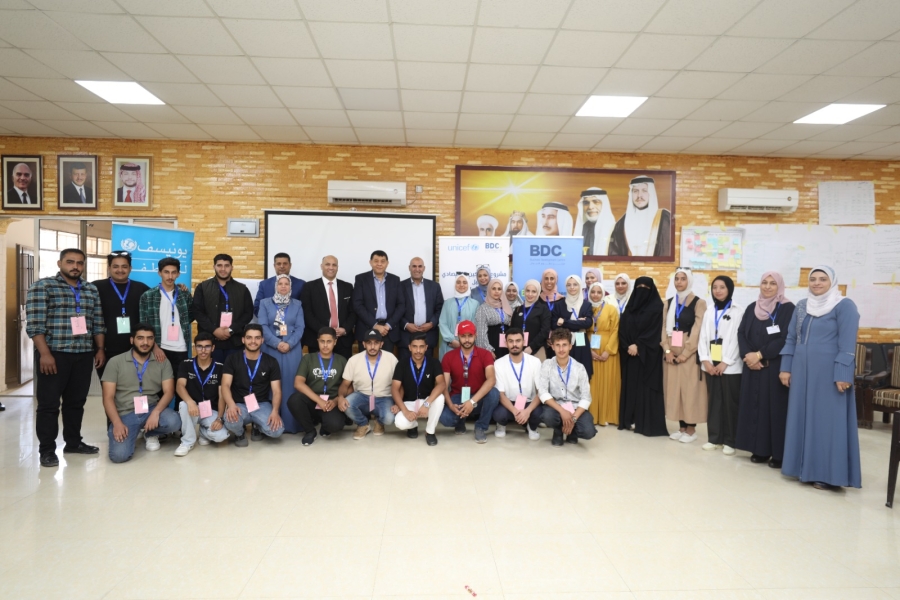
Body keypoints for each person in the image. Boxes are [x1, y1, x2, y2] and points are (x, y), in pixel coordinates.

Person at [780, 265, 861, 490]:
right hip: (801, 373)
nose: (816, 283)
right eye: (813, 279)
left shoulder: (844, 306)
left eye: (822, 279)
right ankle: (800, 468)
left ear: (832, 282)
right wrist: (786, 368)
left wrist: (843, 374)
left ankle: (827, 474)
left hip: (828, 375)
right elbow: (791, 338)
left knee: (827, 422)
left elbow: (847, 344)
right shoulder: (802, 306)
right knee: (801, 418)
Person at [26, 248, 106, 467]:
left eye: (80, 263)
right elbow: (35, 325)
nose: (75, 266)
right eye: (70, 262)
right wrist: (44, 354)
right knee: (49, 405)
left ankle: (73, 442)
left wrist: (99, 349)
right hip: (54, 355)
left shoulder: (90, 289)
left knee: (76, 403)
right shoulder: (43, 287)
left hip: (83, 354)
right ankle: (47, 450)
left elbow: (97, 322)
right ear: (59, 263)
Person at [736, 272, 795, 469]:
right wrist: (748, 356)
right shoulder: (752, 307)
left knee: (775, 410)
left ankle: (778, 454)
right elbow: (741, 333)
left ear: (779, 286)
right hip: (752, 368)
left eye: (772, 283)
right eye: (764, 282)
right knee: (755, 407)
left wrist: (760, 354)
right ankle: (759, 449)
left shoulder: (788, 309)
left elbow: (786, 337)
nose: (767, 287)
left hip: (774, 368)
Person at [102, 324, 180, 463]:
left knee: (174, 421)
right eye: (140, 338)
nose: (145, 342)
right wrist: (117, 423)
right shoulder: (115, 362)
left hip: (151, 408)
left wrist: (156, 413)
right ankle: (131, 431)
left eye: (150, 338)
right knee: (119, 456)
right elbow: (108, 397)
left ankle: (150, 433)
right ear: (132, 340)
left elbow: (169, 392)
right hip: (125, 413)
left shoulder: (162, 361)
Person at [698, 276, 743, 455]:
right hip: (711, 364)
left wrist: (725, 362)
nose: (718, 291)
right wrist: (706, 361)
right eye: (715, 287)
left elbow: (737, 340)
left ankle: (730, 441)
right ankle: (714, 438)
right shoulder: (709, 311)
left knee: (730, 403)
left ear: (729, 289)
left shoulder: (738, 311)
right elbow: (703, 336)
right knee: (714, 402)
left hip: (730, 366)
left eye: (722, 287)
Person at [617, 276, 667, 436]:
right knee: (631, 387)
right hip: (630, 356)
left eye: (646, 288)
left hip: (648, 357)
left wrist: (638, 345)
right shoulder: (630, 308)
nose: (642, 291)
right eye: (639, 287)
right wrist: (628, 345)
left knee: (645, 389)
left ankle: (644, 421)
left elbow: (655, 331)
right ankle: (629, 419)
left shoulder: (657, 308)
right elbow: (622, 329)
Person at [662, 267, 707, 443]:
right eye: (677, 279)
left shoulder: (699, 303)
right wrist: (667, 350)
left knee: (689, 391)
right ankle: (681, 428)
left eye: (683, 279)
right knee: (675, 390)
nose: (679, 282)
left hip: (689, 352)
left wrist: (686, 353)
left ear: (689, 281)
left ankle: (691, 429)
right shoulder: (668, 303)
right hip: (671, 352)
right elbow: (663, 328)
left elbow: (698, 330)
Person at [221, 324, 284, 446]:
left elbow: (276, 391)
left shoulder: (271, 361)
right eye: (249, 337)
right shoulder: (232, 359)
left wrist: (275, 411)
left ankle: (257, 426)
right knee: (230, 422)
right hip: (239, 404)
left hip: (261, 404)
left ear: (262, 340)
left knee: (277, 431)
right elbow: (225, 385)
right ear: (243, 339)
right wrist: (231, 405)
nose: (253, 341)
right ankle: (240, 433)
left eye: (257, 338)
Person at [439, 320, 501, 443]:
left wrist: (471, 402)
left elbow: (491, 379)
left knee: (494, 393)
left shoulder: (485, 354)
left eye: (470, 336)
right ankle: (460, 422)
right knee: (445, 419)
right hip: (458, 397)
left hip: (479, 397)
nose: (467, 340)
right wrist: (450, 405)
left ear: (475, 335)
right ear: (458, 337)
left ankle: (481, 427)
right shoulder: (448, 357)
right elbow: (444, 385)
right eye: (463, 336)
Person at [258, 274, 305, 433]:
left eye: (286, 284)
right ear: (275, 286)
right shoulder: (265, 303)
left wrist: (289, 344)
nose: (283, 286)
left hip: (292, 350)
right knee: (271, 385)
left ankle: (292, 424)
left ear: (290, 287)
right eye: (280, 284)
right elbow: (262, 326)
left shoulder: (297, 304)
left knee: (290, 385)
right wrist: (277, 343)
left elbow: (300, 328)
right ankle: (270, 423)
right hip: (271, 349)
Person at [287, 327, 348, 446]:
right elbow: (298, 383)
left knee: (335, 425)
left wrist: (336, 401)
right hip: (312, 400)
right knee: (294, 400)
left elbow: (349, 387)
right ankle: (310, 431)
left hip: (331, 402)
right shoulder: (308, 358)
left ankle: (325, 426)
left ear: (335, 342)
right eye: (322, 341)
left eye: (329, 341)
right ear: (317, 341)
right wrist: (319, 401)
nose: (325, 345)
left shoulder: (342, 360)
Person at [92, 250, 149, 378]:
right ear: (109, 268)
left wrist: (178, 287)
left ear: (130, 268)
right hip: (106, 349)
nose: (120, 270)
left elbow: (160, 296)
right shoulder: (96, 287)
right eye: (115, 266)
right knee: (109, 386)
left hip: (135, 348)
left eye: (124, 266)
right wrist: (99, 349)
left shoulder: (141, 288)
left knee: (133, 385)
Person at [173, 332, 231, 457]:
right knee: (183, 404)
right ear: (195, 347)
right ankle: (187, 442)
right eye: (199, 346)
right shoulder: (186, 364)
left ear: (213, 348)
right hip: (191, 408)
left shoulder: (220, 367)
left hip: (210, 411)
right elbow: (179, 386)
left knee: (221, 436)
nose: (203, 350)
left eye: (207, 346)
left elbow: (222, 396)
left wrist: (219, 418)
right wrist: (190, 401)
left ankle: (204, 432)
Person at [538, 328, 597, 447]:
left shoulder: (579, 368)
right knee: (547, 416)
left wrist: (573, 419)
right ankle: (558, 431)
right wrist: (562, 411)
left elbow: (586, 398)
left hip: (575, 407)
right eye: (557, 345)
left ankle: (571, 430)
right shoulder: (547, 365)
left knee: (588, 432)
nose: (561, 349)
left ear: (570, 346)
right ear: (552, 346)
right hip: (556, 406)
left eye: (564, 345)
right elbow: (543, 392)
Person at [193, 253, 253, 364]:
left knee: (234, 373)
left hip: (235, 343)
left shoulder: (242, 289)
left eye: (226, 265)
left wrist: (231, 330)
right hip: (209, 343)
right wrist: (214, 330)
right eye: (219, 265)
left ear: (232, 267)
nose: (223, 269)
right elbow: (197, 312)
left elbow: (248, 313)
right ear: (214, 267)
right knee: (212, 373)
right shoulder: (202, 287)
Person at [339, 329, 399, 440]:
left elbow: (399, 384)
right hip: (362, 395)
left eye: (376, 343)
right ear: (364, 344)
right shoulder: (354, 360)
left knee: (389, 418)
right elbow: (345, 384)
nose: (372, 346)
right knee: (346, 404)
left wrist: (397, 403)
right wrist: (341, 397)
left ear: (381, 344)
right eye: (369, 343)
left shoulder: (391, 358)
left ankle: (379, 422)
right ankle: (363, 424)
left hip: (384, 397)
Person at [139, 257, 193, 375]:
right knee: (159, 383)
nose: (170, 276)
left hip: (181, 348)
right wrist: (154, 347)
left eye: (173, 272)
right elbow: (144, 325)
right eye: (166, 272)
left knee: (180, 383)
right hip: (159, 347)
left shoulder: (184, 294)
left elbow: (191, 315)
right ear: (159, 273)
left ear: (178, 274)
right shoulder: (148, 296)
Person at [391, 333, 447, 446]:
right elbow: (394, 389)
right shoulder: (402, 364)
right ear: (409, 347)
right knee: (400, 422)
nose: (418, 350)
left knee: (440, 397)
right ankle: (413, 425)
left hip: (426, 401)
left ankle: (430, 432)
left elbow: (441, 384)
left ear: (426, 347)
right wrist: (405, 411)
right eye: (415, 346)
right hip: (408, 403)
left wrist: (427, 404)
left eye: (421, 347)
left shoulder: (434, 362)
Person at [300, 255, 356, 359]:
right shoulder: (309, 287)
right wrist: (325, 331)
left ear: (337, 267)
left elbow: (353, 311)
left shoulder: (347, 287)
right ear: (321, 266)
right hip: (318, 340)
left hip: (343, 341)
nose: (331, 267)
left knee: (343, 369)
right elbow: (307, 313)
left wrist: (345, 329)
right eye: (327, 264)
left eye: (334, 265)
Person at [492, 328, 543, 440]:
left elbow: (541, 391)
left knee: (540, 413)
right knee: (499, 414)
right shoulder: (499, 363)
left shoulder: (535, 362)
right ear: (506, 343)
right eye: (511, 341)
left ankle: (531, 427)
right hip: (508, 403)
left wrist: (527, 411)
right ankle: (501, 425)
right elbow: (501, 394)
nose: (514, 344)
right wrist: (515, 411)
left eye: (518, 341)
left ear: (524, 342)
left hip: (528, 402)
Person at [352, 250, 405, 353]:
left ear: (387, 263)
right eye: (376, 261)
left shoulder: (395, 280)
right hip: (366, 329)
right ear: (370, 262)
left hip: (388, 331)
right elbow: (357, 304)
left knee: (387, 362)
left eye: (382, 261)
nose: (379, 264)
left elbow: (401, 305)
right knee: (365, 362)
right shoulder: (361, 279)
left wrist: (388, 325)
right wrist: (374, 325)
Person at [608, 175, 672, 257]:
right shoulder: (621, 223)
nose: (639, 196)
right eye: (635, 191)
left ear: (651, 193)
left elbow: (667, 250)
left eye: (644, 191)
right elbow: (614, 253)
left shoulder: (664, 218)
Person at [588, 281, 620, 427]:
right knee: (592, 383)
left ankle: (607, 415)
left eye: (599, 292)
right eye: (593, 292)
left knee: (608, 382)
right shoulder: (585, 309)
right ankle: (593, 416)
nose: (595, 295)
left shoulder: (611, 309)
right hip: (591, 351)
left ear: (603, 294)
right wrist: (588, 350)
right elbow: (581, 331)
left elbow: (615, 330)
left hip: (608, 351)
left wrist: (608, 350)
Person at [399, 257, 443, 361]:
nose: (417, 269)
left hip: (428, 336)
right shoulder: (400, 286)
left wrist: (431, 323)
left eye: (420, 266)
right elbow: (395, 309)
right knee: (405, 368)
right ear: (409, 268)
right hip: (406, 337)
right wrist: (406, 324)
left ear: (424, 268)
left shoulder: (434, 286)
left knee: (427, 368)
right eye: (414, 266)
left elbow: (440, 308)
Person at [550, 275, 593, 376]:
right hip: (563, 342)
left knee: (582, 373)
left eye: (575, 284)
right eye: (569, 285)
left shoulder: (586, 305)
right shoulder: (559, 304)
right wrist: (578, 323)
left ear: (580, 286)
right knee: (563, 373)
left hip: (581, 340)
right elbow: (554, 324)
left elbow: (587, 323)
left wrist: (564, 322)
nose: (572, 287)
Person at [438, 274, 479, 360]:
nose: (461, 285)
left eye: (464, 282)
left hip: (468, 344)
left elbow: (475, 325)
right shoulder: (447, 303)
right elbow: (442, 323)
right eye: (458, 282)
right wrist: (452, 340)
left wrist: (464, 341)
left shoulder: (475, 304)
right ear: (455, 285)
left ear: (468, 285)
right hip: (449, 345)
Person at [253, 252, 305, 317]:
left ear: (290, 265)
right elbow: (257, 307)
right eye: (278, 264)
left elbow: (305, 308)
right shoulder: (264, 284)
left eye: (285, 263)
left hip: (293, 323)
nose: (282, 266)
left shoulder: (301, 284)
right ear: (274, 266)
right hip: (269, 322)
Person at [510, 279, 551, 360]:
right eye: (527, 291)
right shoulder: (518, 309)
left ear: (538, 293)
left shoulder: (543, 309)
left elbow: (545, 331)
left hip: (537, 350)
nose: (530, 294)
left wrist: (532, 347)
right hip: (518, 350)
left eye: (533, 291)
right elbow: (512, 329)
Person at [475, 278, 513, 359]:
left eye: (499, 289)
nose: (496, 291)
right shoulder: (483, 308)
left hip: (506, 346)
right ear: (489, 290)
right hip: (492, 347)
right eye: (494, 288)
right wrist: (488, 350)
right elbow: (481, 333)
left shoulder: (505, 306)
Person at [576, 188, 615, 255]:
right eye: (586, 203)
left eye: (596, 202)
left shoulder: (615, 229)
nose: (590, 207)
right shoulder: (583, 228)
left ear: (604, 205)